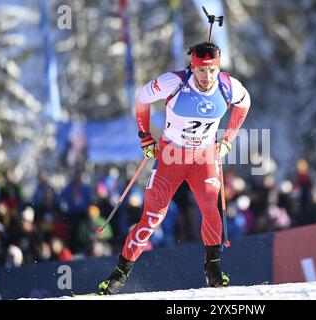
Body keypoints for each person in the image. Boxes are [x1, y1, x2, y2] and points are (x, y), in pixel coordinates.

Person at [97, 42, 251, 295]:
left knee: (210, 207)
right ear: (193, 66)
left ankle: (213, 269)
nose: (206, 76)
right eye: (201, 70)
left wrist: (227, 140)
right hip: (171, 156)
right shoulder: (174, 82)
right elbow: (143, 98)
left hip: (204, 157)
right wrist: (145, 136)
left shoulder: (228, 86)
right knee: (152, 217)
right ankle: (120, 274)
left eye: (211, 71)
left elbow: (244, 104)